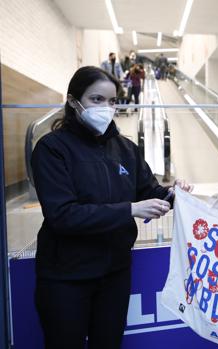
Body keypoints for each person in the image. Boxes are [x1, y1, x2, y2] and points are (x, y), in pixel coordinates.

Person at [31, 66, 192, 348]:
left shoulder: (126, 149)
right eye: (96, 99)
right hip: (66, 276)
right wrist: (130, 209)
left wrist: (174, 195)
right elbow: (62, 215)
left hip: (114, 273)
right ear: (73, 102)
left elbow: (150, 191)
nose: (106, 107)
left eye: (112, 101)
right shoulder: (51, 149)